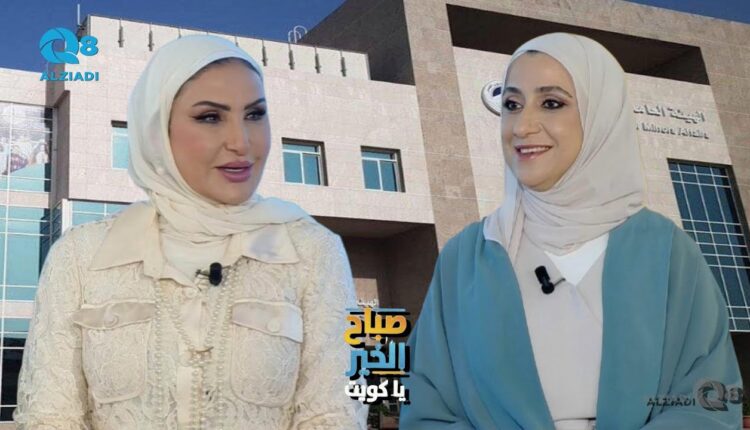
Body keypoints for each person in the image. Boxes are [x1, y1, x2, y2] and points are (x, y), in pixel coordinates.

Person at [14, 34, 367, 430]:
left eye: (255, 114)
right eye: (210, 117)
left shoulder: (312, 251)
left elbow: (334, 415)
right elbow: (50, 417)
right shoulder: (81, 257)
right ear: (157, 130)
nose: (241, 142)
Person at [399, 32, 742, 429]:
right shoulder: (466, 259)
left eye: (551, 103)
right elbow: (426, 405)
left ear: (601, 116)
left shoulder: (666, 252)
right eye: (511, 105)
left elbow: (709, 401)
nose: (522, 126)